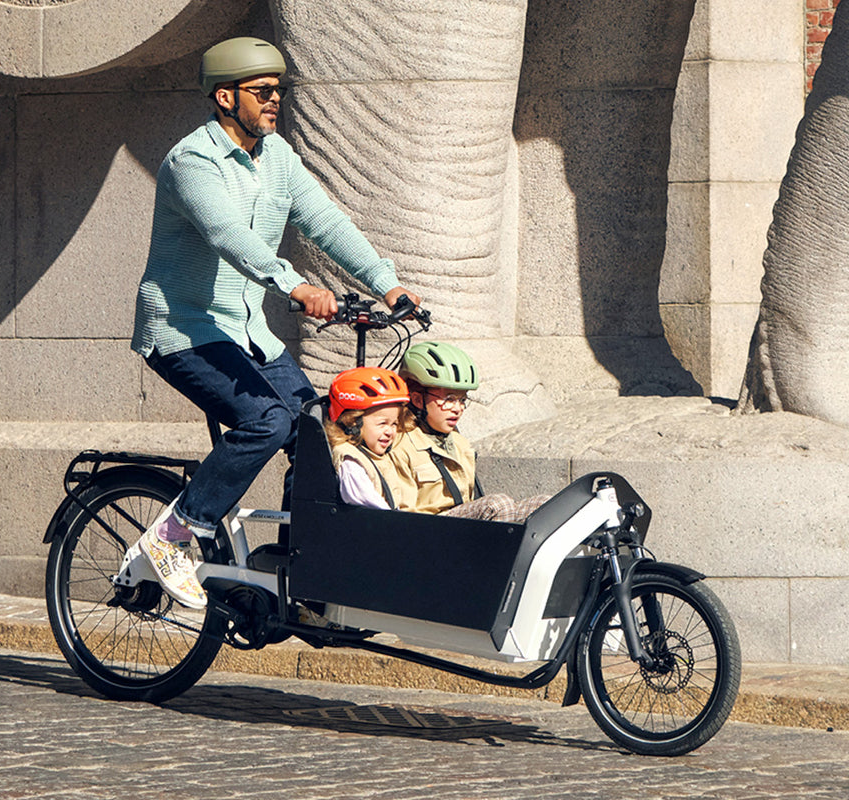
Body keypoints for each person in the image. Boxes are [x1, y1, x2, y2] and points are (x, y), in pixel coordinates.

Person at [130, 36, 420, 609]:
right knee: (264, 421)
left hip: (249, 335)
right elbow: (227, 237)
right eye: (262, 92)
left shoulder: (278, 157)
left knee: (316, 433)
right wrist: (295, 284)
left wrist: (386, 283)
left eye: (279, 92)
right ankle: (175, 532)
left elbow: (326, 222)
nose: (274, 100)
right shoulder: (193, 161)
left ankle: (303, 570)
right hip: (183, 330)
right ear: (224, 96)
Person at [391, 341, 548, 523]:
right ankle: (496, 552)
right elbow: (404, 517)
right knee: (499, 505)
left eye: (462, 400)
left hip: (465, 522)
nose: (458, 409)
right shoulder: (401, 446)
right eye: (449, 399)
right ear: (418, 400)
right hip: (432, 529)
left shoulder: (458, 442)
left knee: (547, 505)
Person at [325, 367, 416, 511]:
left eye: (394, 424)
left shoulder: (377, 453)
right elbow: (371, 504)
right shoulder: (351, 462)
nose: (390, 431)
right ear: (353, 422)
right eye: (382, 423)